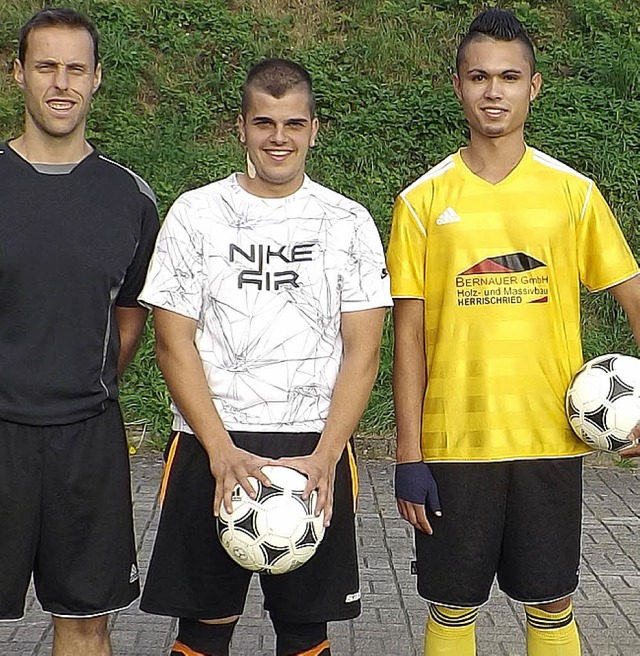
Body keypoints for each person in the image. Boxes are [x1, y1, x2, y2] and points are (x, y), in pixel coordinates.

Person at [387, 7, 640, 656]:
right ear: (458, 86)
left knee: (552, 600)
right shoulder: (420, 201)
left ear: (534, 86)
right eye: (478, 77)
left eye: (508, 76)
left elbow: (633, 292)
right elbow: (408, 338)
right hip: (453, 441)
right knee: (451, 604)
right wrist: (410, 454)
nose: (492, 90)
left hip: (548, 436)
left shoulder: (573, 194)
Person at [138, 58, 392, 656]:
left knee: (306, 631)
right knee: (203, 627)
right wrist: (219, 448)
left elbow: (364, 350)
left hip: (312, 446)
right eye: (264, 123)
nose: (279, 138)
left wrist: (329, 453)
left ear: (314, 128)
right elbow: (172, 342)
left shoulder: (347, 221)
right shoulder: (195, 214)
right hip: (210, 440)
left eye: (293, 124)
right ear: (241, 127)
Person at [0, 7, 159, 655]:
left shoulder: (130, 199)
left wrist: (83, 378)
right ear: (17, 74)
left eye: (75, 68)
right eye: (45, 66)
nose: (60, 83)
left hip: (88, 443)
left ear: (96, 79)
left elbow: (132, 312)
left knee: (88, 627)